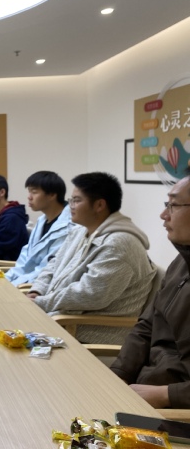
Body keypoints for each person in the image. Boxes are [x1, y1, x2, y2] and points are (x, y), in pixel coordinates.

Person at [27, 172, 156, 345]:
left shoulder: (119, 245)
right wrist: (37, 291)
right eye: (71, 200)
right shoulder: (80, 231)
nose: (70, 206)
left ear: (99, 205)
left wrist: (41, 303)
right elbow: (54, 263)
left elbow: (90, 294)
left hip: (89, 333)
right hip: (62, 319)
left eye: (77, 201)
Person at [110, 170, 190, 409]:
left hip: (174, 410)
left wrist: (167, 395)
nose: (164, 215)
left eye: (173, 205)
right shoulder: (181, 262)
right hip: (147, 385)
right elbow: (146, 326)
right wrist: (119, 373)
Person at [6, 171, 72, 286]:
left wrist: (14, 285)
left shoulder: (68, 227)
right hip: (23, 283)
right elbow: (24, 259)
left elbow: (45, 269)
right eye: (29, 191)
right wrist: (5, 280)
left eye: (34, 192)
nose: (29, 197)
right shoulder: (42, 220)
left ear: (52, 195)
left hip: (37, 287)